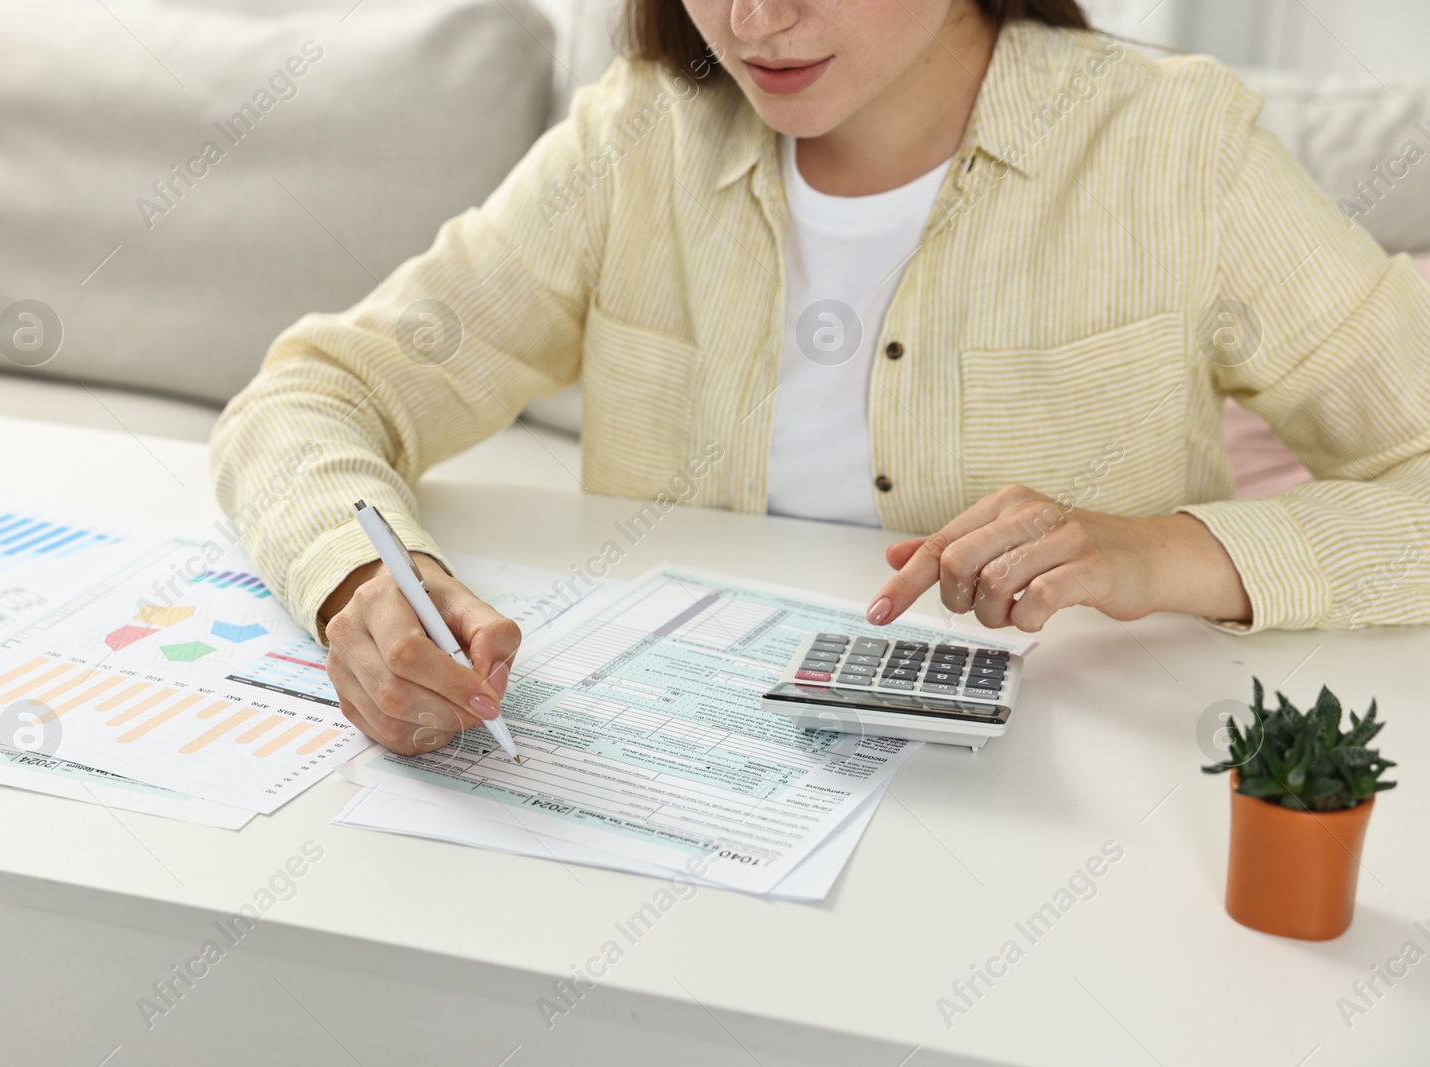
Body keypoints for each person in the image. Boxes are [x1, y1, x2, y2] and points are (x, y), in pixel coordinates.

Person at [209, 0, 1430, 755]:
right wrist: (359, 577)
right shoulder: (639, 138)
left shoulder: (1175, 149)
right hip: (687, 777)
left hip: (1070, 791)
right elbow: (315, 392)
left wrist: (1160, 550)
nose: (749, 18)